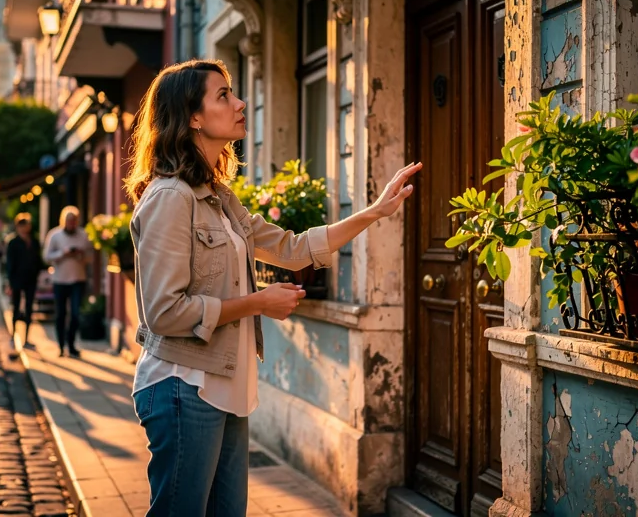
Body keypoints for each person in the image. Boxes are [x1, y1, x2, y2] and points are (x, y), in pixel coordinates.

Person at [123, 59, 421, 515]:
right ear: (193, 117)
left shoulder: (220, 198)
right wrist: (258, 302)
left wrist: (375, 212)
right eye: (224, 95)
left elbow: (292, 248)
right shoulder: (170, 197)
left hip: (225, 387)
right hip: (184, 386)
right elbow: (164, 312)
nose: (241, 103)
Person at [44, 206, 90, 357]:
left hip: (78, 279)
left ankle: (71, 344)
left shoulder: (83, 235)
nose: (71, 223)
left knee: (75, 313)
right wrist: (62, 253)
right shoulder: (55, 235)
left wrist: (80, 254)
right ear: (64, 220)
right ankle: (60, 345)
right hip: (60, 280)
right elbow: (46, 257)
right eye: (69, 221)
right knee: (61, 314)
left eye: (74, 221)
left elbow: (90, 257)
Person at [5, 212, 43, 349]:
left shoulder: (34, 241)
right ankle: (13, 336)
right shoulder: (13, 242)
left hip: (31, 279)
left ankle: (26, 338)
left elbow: (38, 260)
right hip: (17, 279)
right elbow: (10, 263)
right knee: (15, 307)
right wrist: (9, 281)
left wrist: (38, 272)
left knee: (29, 308)